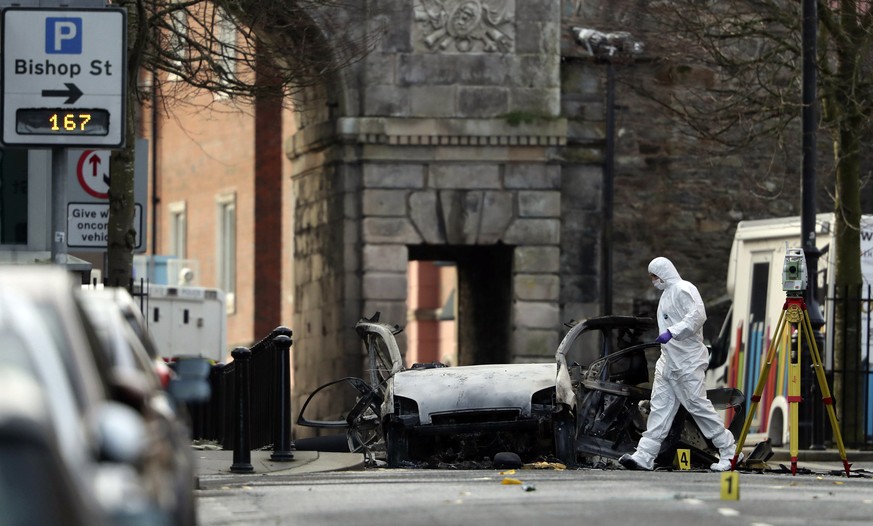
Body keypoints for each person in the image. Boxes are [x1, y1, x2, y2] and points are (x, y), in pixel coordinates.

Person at [619, 256, 743, 472]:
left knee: (697, 406)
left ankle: (729, 451)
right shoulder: (667, 294)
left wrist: (672, 332)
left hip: (687, 362)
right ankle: (645, 455)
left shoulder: (684, 289)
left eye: (655, 277)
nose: (654, 281)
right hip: (669, 362)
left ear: (663, 273)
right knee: (659, 408)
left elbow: (698, 315)